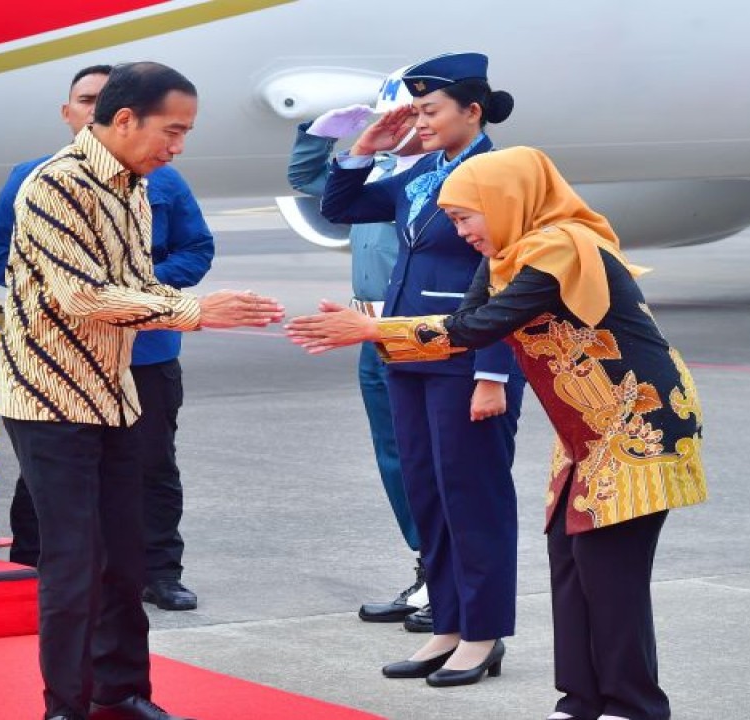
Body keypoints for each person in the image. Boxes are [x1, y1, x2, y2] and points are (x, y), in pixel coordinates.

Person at [288, 146, 707, 718]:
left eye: (465, 217)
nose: (460, 232)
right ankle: (580, 699)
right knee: (571, 564)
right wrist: (377, 332)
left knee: (611, 575)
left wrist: (372, 329)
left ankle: (633, 705)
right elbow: (471, 319)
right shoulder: (510, 253)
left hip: (637, 425)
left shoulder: (560, 246)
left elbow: (481, 325)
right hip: (586, 430)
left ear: (506, 202)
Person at [0, 61, 283, 720]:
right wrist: (195, 312)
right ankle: (65, 706)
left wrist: (200, 302)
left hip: (115, 391)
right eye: (172, 130)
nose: (178, 146)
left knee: (125, 555)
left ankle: (122, 694)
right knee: (74, 562)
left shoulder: (133, 184)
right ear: (124, 121)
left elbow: (139, 278)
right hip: (49, 398)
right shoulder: (56, 185)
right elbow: (81, 294)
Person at [318, 51, 526, 688]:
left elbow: (513, 274)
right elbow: (341, 207)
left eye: (431, 110)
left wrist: (495, 374)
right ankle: (448, 625)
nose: (422, 121)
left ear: (473, 109)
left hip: (467, 358)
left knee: (473, 497)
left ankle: (483, 634)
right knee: (429, 493)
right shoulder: (425, 170)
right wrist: (366, 145)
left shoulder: (499, 173)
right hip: (409, 352)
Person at [0, 64, 213, 612]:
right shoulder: (36, 179)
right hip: (65, 362)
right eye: (84, 100)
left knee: (152, 466)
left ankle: (160, 571)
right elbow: (2, 259)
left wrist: (146, 297)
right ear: (70, 112)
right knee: (49, 484)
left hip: (149, 348)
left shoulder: (157, 181)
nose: (93, 109)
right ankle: (30, 564)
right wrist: (82, 290)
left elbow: (196, 249)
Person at [286, 69, 431, 629]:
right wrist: (322, 134)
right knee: (395, 459)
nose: (404, 127)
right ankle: (426, 567)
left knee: (428, 457)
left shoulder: (436, 180)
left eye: (413, 117)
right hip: (368, 333)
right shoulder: (382, 175)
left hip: (414, 332)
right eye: (394, 118)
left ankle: (444, 574)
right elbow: (308, 179)